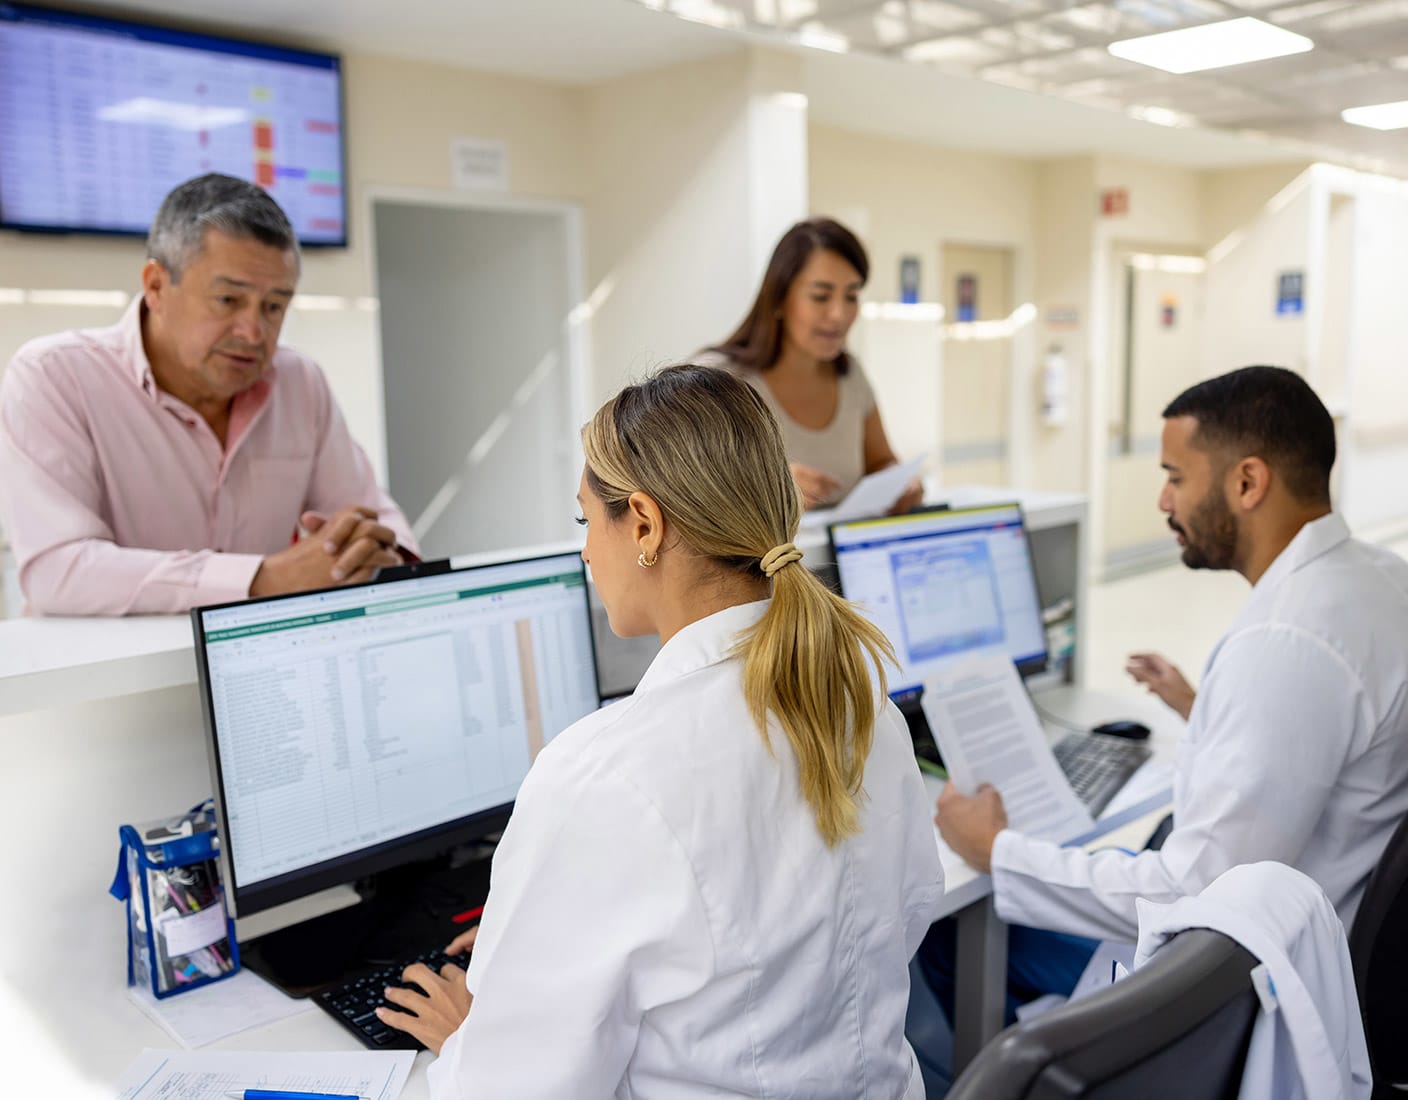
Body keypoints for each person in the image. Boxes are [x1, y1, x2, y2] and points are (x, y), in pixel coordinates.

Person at [376, 364, 945, 1097]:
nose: (585, 551)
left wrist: (473, 1041)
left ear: (643, 523)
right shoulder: (856, 693)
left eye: (588, 521)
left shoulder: (606, 775)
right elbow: (896, 915)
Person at [922, 365, 1408, 1035]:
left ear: (1247, 481)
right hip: (1323, 922)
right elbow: (1328, 725)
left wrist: (995, 849)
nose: (1162, 500)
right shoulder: (1380, 580)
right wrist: (1205, 710)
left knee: (954, 935)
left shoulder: (1285, 643)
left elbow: (1191, 894)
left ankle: (1065, 1064)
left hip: (1251, 980)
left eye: (1176, 477)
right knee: (1107, 862)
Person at [0, 173, 417, 616]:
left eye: (274, 307)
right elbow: (59, 572)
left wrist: (380, 557)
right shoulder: (55, 376)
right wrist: (263, 578)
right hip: (110, 679)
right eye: (228, 300)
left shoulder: (299, 382)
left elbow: (370, 512)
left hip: (258, 674)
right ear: (156, 286)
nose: (254, 332)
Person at [698, 217, 922, 511]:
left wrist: (898, 481)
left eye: (851, 296)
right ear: (779, 298)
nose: (839, 314)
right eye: (820, 296)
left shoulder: (851, 375)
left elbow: (880, 461)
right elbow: (679, 488)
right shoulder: (717, 381)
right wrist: (768, 486)